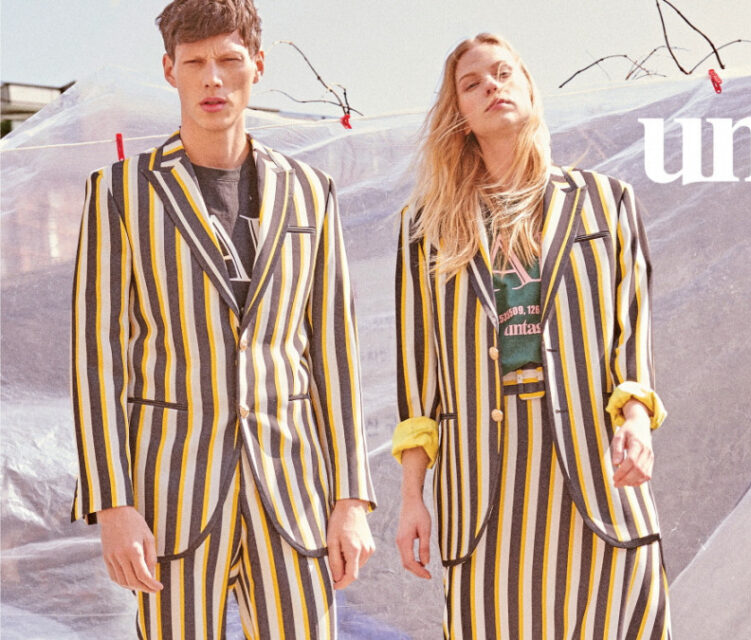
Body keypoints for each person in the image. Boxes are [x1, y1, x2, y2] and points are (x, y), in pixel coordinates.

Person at [70, 1, 375, 637]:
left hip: (293, 490)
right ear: (169, 70)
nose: (213, 78)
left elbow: (335, 353)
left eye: (229, 60)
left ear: (257, 65)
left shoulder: (310, 192)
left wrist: (351, 497)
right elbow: (98, 358)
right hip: (171, 494)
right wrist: (113, 504)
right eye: (195, 63)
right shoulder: (120, 192)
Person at [392, 33, 672, 639]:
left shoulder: (607, 202)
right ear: (460, 117)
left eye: (502, 73)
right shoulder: (426, 229)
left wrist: (636, 421)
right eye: (472, 84)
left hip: (597, 476)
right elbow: (419, 381)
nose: (491, 86)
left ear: (528, 88)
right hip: (486, 492)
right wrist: (413, 496)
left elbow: (631, 338)